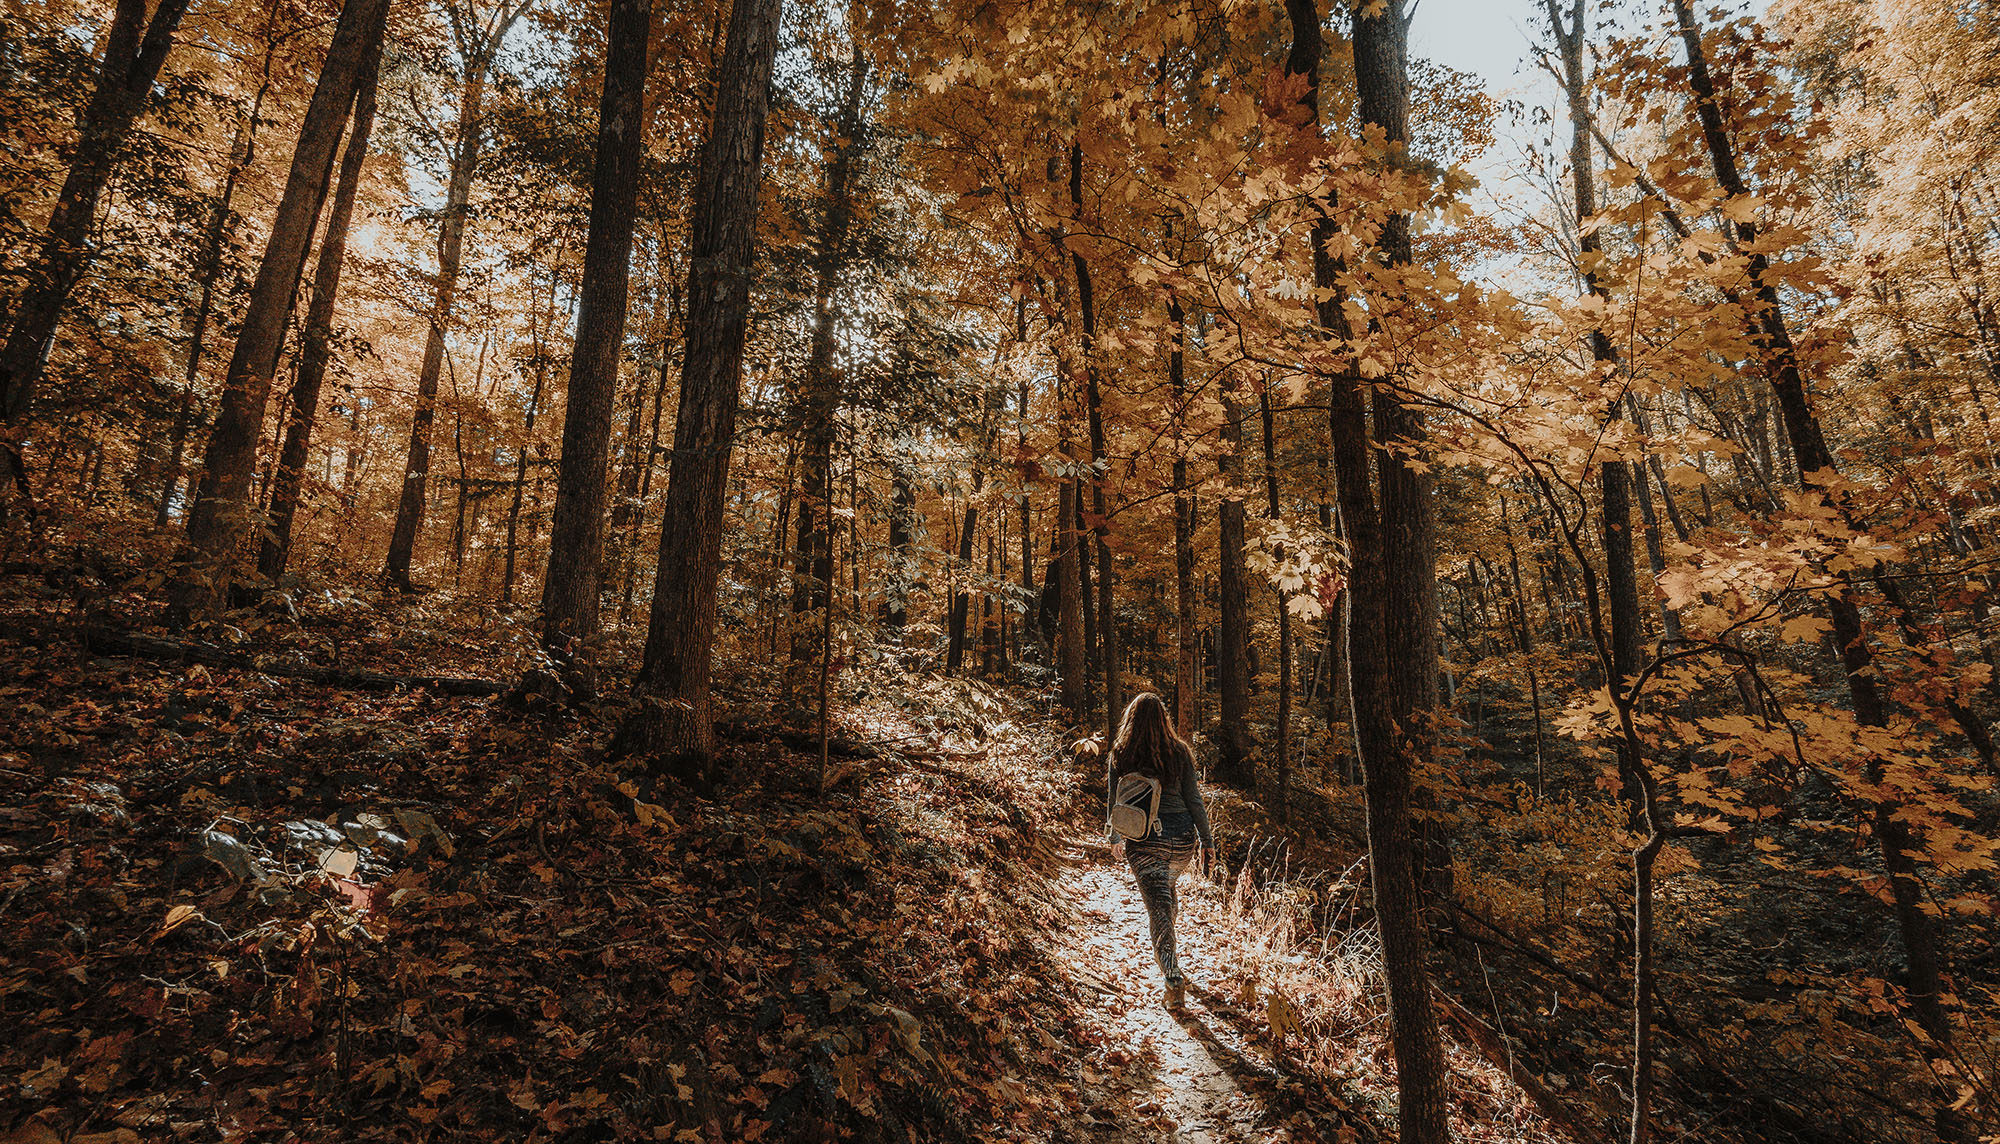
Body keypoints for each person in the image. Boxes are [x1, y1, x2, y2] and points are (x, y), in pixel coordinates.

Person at [1105, 692, 1215, 1010]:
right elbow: (1194, 799)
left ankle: (1172, 977)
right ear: (1163, 719)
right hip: (1182, 840)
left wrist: (1114, 837)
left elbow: (1114, 800)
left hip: (1144, 841)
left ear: (1131, 719)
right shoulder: (1179, 752)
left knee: (1158, 908)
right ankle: (1170, 951)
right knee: (1165, 894)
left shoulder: (1121, 753)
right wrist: (1207, 841)